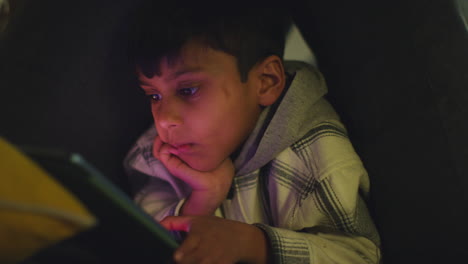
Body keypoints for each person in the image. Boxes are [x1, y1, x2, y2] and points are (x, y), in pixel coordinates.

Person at [124, 1, 381, 263]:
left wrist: (254, 244)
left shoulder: (314, 156)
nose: (165, 119)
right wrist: (203, 199)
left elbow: (360, 256)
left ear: (265, 82)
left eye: (188, 90)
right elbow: (142, 244)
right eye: (154, 95)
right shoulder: (160, 154)